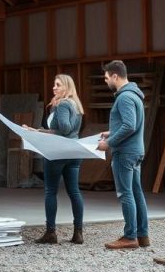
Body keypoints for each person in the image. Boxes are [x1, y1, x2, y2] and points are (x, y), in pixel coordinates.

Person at [23, 74, 85, 245]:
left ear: (66, 87)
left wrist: (39, 132)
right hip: (74, 152)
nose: (54, 88)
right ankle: (78, 232)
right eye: (54, 84)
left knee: (51, 191)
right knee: (74, 192)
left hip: (57, 152)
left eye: (58, 85)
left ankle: (51, 233)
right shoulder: (76, 105)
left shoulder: (63, 104)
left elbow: (64, 129)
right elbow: (71, 132)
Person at [98, 60, 149, 250]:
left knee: (125, 193)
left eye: (106, 78)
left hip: (125, 153)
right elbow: (130, 124)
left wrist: (109, 143)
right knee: (136, 192)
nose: (106, 82)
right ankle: (142, 235)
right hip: (135, 151)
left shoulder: (124, 97)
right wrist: (110, 132)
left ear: (115, 76)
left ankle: (130, 237)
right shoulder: (134, 95)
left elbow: (129, 125)